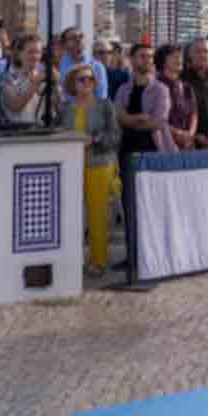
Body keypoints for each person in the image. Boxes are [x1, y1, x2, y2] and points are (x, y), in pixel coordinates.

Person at [110, 44, 169, 283]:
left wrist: (130, 120)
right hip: (127, 151)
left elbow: (158, 122)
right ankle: (132, 255)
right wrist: (137, 119)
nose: (147, 60)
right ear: (132, 59)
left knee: (152, 206)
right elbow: (118, 117)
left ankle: (153, 256)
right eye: (143, 56)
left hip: (152, 151)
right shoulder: (124, 89)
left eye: (150, 56)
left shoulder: (160, 89)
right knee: (129, 205)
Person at [64, 63, 121, 273]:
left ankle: (98, 261)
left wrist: (95, 139)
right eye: (82, 79)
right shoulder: (65, 107)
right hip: (71, 166)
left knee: (98, 215)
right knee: (71, 215)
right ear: (73, 83)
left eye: (91, 79)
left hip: (98, 163)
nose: (88, 83)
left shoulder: (105, 105)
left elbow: (115, 135)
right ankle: (72, 260)